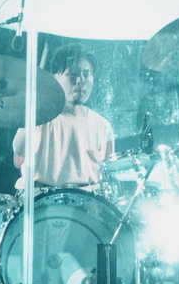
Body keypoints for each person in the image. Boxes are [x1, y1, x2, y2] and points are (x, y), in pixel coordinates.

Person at [13, 45, 116, 191]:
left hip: (87, 200)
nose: (80, 80)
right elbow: (19, 157)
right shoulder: (39, 117)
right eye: (73, 74)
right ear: (55, 78)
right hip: (41, 198)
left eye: (86, 74)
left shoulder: (103, 125)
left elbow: (109, 174)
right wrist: (30, 115)